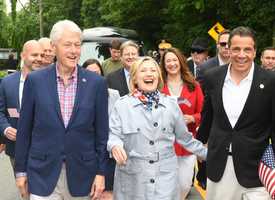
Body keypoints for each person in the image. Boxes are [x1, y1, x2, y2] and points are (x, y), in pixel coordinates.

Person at [14, 20, 109, 200]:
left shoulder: (96, 84)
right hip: (42, 174)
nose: (74, 51)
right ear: (53, 46)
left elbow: (102, 134)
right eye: (68, 45)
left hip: (83, 175)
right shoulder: (35, 81)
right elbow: (24, 130)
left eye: (77, 45)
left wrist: (101, 172)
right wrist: (20, 172)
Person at [198, 26, 275, 200]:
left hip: (258, 168)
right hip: (219, 166)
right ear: (228, 50)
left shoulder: (272, 82)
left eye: (247, 49)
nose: (242, 55)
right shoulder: (212, 77)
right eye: (236, 49)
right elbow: (207, 116)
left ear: (255, 51)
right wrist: (200, 145)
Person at [107, 56, 207, 200]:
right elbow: (113, 134)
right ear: (135, 78)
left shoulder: (171, 106)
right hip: (133, 180)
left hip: (165, 180)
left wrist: (210, 154)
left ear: (158, 77)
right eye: (143, 70)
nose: (149, 74)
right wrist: (115, 146)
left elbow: (185, 139)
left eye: (153, 70)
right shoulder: (122, 105)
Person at [160, 47, 204, 200]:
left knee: (185, 184)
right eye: (168, 61)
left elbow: (203, 113)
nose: (172, 64)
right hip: (163, 145)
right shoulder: (158, 86)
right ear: (163, 65)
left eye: (174, 60)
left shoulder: (193, 85)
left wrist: (192, 118)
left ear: (180, 62)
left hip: (187, 144)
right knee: (165, 184)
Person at [0, 40, 43, 173]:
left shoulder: (50, 81)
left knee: (41, 191)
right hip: (16, 150)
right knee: (24, 190)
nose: (39, 59)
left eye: (41, 55)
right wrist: (6, 129)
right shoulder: (7, 82)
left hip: (43, 150)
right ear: (23, 56)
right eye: (34, 55)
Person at [82, 58, 120, 200]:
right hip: (86, 153)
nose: (93, 76)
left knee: (107, 192)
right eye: (89, 73)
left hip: (109, 151)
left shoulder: (114, 94)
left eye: (97, 73)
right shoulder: (77, 96)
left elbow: (119, 122)